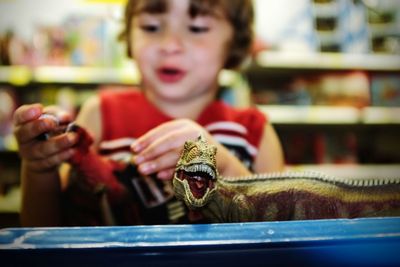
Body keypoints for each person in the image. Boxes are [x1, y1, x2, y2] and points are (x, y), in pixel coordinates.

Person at [13, 0, 284, 227]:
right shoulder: (101, 114)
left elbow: (283, 232)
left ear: (235, 42)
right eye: (151, 27)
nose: (170, 45)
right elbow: (47, 230)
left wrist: (223, 166)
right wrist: (39, 168)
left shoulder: (254, 132)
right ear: (129, 36)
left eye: (197, 28)